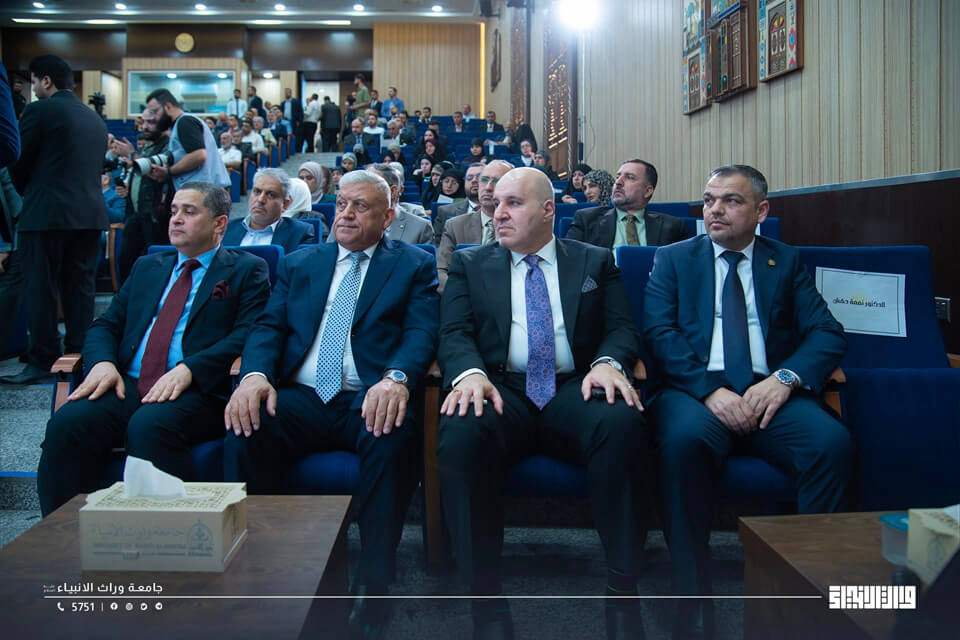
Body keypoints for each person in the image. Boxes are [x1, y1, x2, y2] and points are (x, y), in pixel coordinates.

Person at [223, 169, 439, 639]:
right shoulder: (301, 262)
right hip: (300, 395)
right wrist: (255, 375)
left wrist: (396, 378)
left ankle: (374, 584)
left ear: (388, 217)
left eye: (361, 206)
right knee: (246, 426)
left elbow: (421, 330)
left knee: (392, 435)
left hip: (367, 395)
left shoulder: (411, 264)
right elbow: (269, 327)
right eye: (341, 203)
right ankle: (256, 564)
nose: (346, 214)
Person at [437, 167, 649, 638]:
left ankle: (623, 587)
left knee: (621, 421)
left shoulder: (595, 261)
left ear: (548, 209)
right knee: (461, 427)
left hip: (575, 387)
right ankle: (485, 600)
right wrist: (470, 374)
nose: (497, 212)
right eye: (495, 202)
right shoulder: (471, 263)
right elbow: (453, 333)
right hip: (501, 388)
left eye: (513, 203)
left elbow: (620, 327)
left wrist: (608, 363)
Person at [643, 165, 852, 637]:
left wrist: (785, 378)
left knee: (830, 445)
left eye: (731, 201)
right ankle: (691, 590)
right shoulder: (673, 259)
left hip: (769, 391)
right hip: (695, 391)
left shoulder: (785, 260)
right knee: (683, 443)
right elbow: (659, 333)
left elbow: (827, 333)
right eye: (709, 199)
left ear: (761, 211)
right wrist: (708, 390)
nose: (714, 210)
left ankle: (809, 588)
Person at [36, 181, 271, 516]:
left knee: (149, 425)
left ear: (219, 223)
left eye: (189, 212)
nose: (176, 219)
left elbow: (248, 333)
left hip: (198, 389)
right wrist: (102, 363)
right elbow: (106, 325)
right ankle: (63, 533)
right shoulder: (148, 266)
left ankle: (169, 536)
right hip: (129, 384)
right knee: (69, 423)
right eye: (174, 211)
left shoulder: (247, 269)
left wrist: (190, 368)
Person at [2, 55, 110, 385]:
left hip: (46, 213)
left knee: (41, 288)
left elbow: (18, 161)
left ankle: (43, 358)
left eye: (35, 81)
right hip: (89, 214)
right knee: (80, 289)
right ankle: (78, 353)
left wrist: (29, 192)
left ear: (46, 80)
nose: (34, 88)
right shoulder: (94, 118)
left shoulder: (40, 110)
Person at [567, 159, 686, 251]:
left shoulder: (672, 227)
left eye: (629, 177)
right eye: (618, 177)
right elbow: (569, 260)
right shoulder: (586, 220)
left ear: (647, 191)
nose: (618, 182)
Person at [437, 160, 512, 292]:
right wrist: (464, 296)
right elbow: (441, 271)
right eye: (484, 180)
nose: (488, 187)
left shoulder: (523, 228)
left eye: (496, 181)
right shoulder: (455, 226)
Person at [144, 88, 230, 191]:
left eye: (154, 112)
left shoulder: (185, 122)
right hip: (200, 190)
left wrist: (168, 171)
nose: (153, 117)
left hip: (203, 192)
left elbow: (199, 155)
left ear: (167, 106)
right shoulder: (179, 124)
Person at [222, 168, 316, 252]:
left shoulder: (300, 233)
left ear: (285, 204)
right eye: (257, 192)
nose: (260, 200)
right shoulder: (225, 229)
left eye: (271, 195)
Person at [434, 163, 483, 244]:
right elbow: (438, 244)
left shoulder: (500, 212)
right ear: (464, 182)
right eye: (469, 177)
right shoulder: (445, 211)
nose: (474, 180)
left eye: (480, 176)